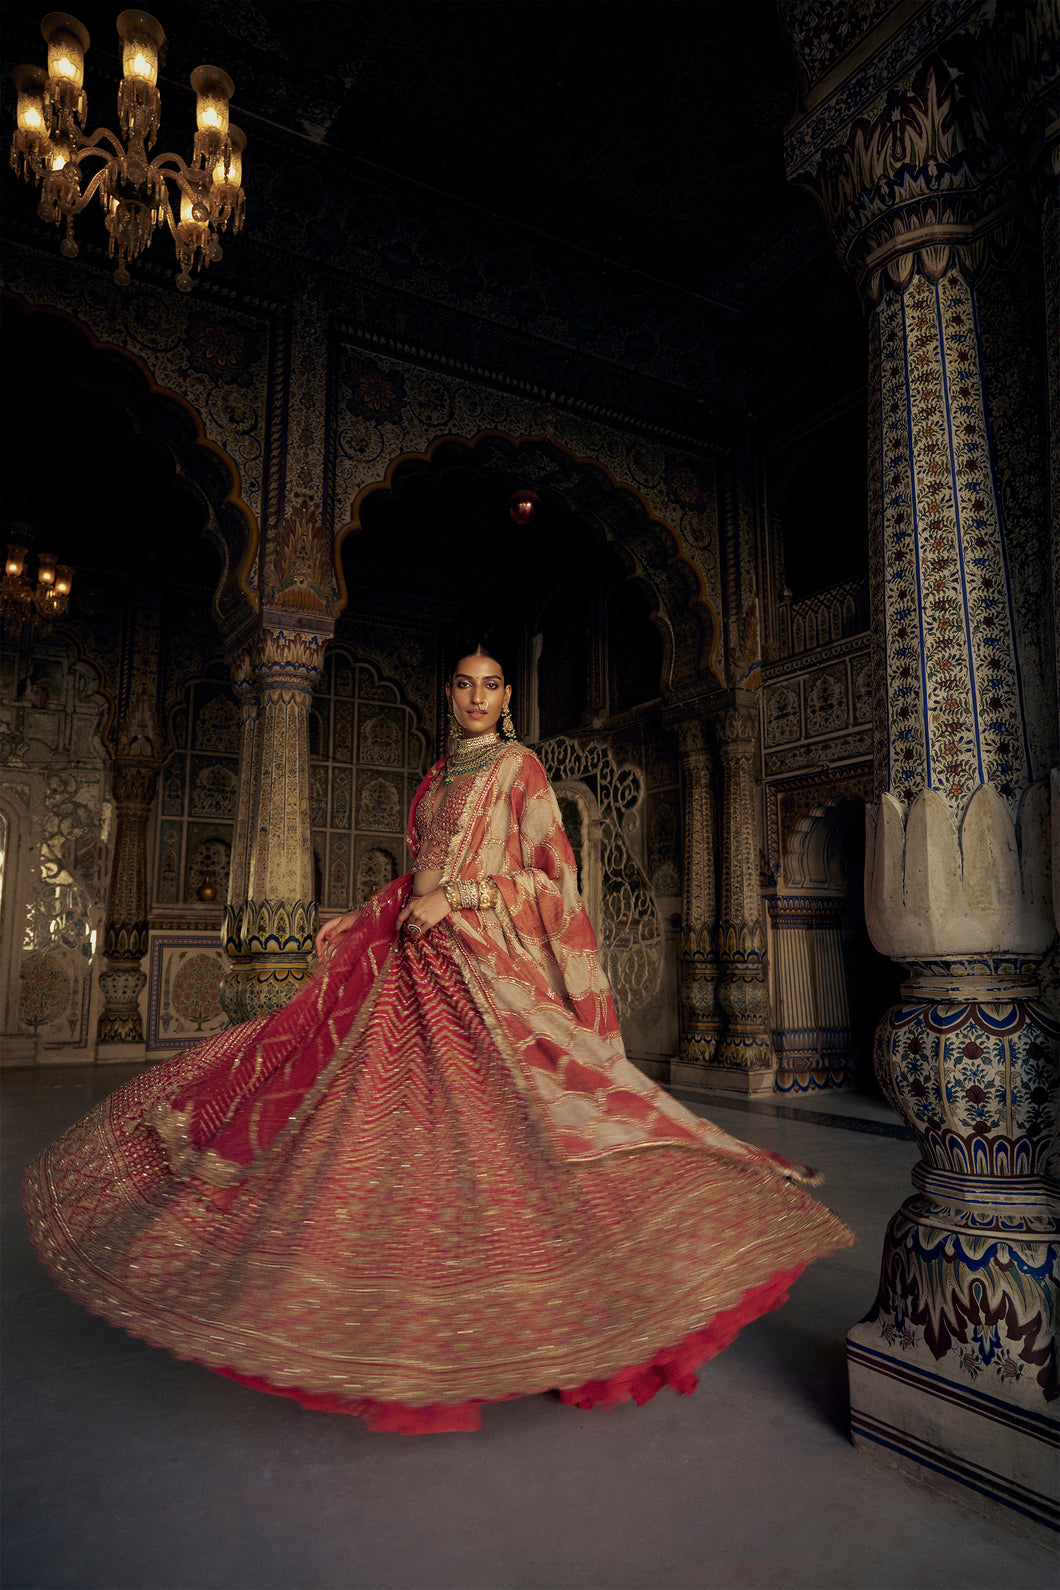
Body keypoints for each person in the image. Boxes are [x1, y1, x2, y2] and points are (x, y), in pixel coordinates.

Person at [24, 643, 853, 1433]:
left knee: (511, 1129)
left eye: (491, 685)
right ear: (449, 694)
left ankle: (577, 1308)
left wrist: (460, 898)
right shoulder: (435, 776)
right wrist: (370, 910)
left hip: (484, 973)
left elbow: (551, 881)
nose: (477, 697)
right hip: (411, 962)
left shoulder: (517, 770)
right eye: (464, 684)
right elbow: (418, 874)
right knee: (388, 1126)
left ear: (508, 699)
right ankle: (400, 1305)